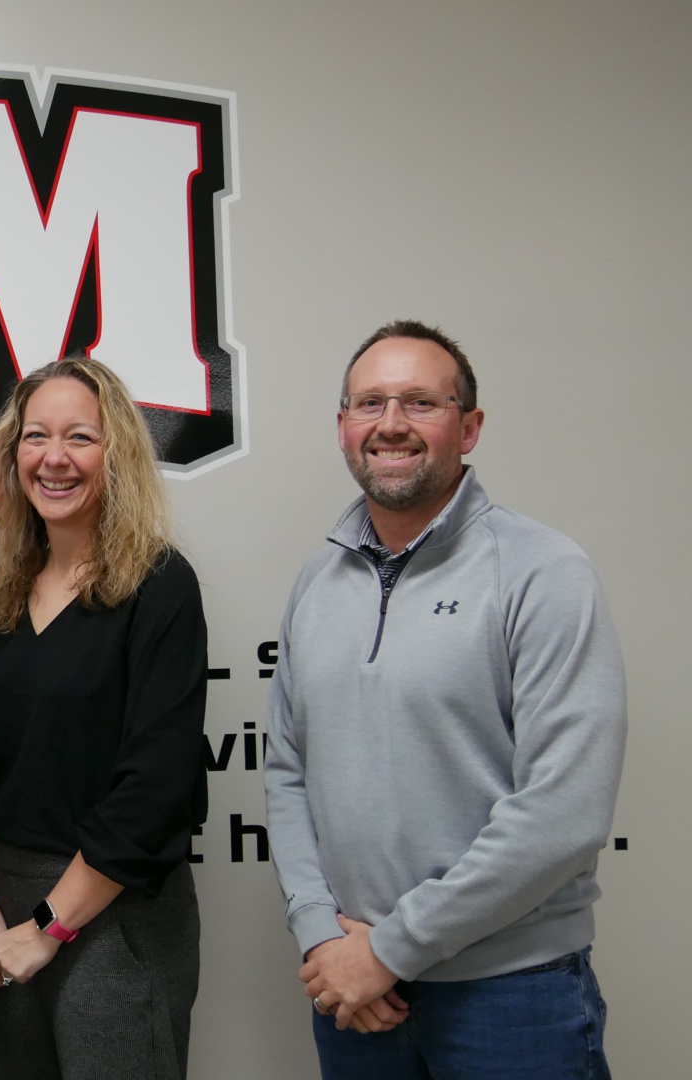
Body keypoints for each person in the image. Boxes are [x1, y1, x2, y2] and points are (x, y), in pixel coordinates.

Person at [264, 320, 626, 1078]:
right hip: (354, 994)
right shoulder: (317, 583)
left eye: (420, 402)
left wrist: (390, 951)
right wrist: (321, 935)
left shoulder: (541, 572)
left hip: (511, 996)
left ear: (469, 427)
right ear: (342, 425)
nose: (390, 423)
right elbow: (289, 771)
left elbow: (562, 812)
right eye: (369, 403)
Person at [0, 357, 207, 1080]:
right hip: (9, 910)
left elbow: (155, 789)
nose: (53, 458)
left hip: (113, 912)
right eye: (36, 437)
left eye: (79, 438)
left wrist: (50, 925)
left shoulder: (160, 585)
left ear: (115, 454)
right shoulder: (8, 592)